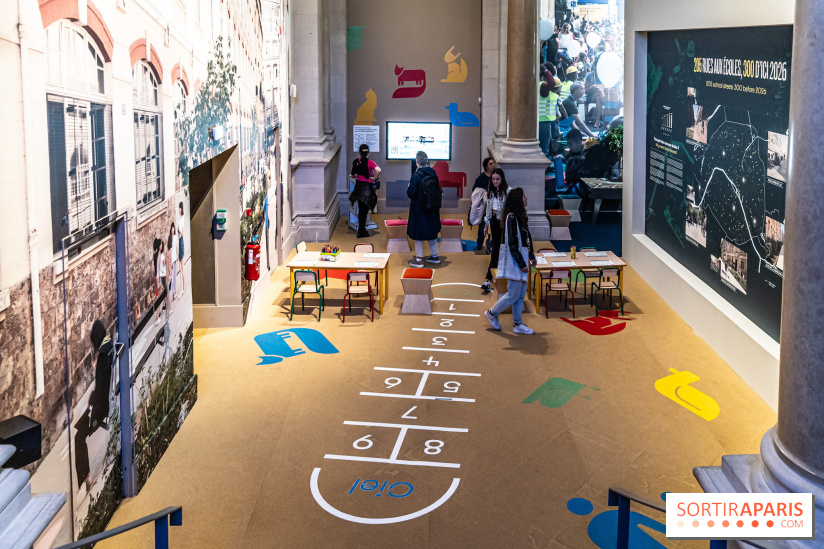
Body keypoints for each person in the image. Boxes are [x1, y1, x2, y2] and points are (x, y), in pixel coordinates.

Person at [484, 187, 537, 335]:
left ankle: (518, 324)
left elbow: (527, 238)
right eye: (524, 196)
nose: (526, 198)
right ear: (518, 200)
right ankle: (492, 313)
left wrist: (531, 255)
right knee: (513, 294)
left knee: (520, 294)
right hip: (515, 261)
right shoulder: (511, 218)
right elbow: (512, 243)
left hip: (521, 259)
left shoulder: (520, 217)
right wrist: (521, 263)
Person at [74, 319, 113, 492]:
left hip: (100, 407)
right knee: (79, 434)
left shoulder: (103, 354)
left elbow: (100, 388)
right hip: (102, 402)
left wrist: (90, 407)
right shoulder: (110, 345)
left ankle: (85, 479)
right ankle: (85, 478)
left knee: (78, 437)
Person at [407, 151, 441, 267]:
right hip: (432, 208)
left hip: (419, 208)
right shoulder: (433, 174)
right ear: (427, 161)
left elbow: (411, 193)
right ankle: (435, 256)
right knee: (431, 231)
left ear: (417, 162)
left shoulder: (416, 175)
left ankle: (419, 259)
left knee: (418, 233)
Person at [480, 168, 510, 293]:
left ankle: (488, 279)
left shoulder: (508, 191)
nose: (495, 181)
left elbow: (510, 208)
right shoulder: (491, 191)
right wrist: (486, 225)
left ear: (502, 179)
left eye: (497, 179)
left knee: (497, 249)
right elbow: (488, 209)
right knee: (497, 249)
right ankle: (492, 277)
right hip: (493, 221)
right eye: (493, 179)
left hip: (502, 222)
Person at [349, 144, 381, 238]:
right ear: (368, 152)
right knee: (365, 211)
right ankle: (362, 231)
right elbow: (378, 170)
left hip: (359, 188)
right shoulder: (370, 162)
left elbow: (353, 175)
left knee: (361, 210)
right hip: (367, 188)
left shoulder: (355, 161)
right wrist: (374, 178)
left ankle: (361, 229)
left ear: (359, 152)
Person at [471, 157, 496, 249]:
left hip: (494, 204)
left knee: (494, 225)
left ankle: (494, 243)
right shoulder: (482, 177)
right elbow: (475, 189)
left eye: (493, 163)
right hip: (484, 205)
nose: (493, 165)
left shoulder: (496, 176)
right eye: (490, 164)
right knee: (482, 225)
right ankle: (479, 244)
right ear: (486, 166)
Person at [539, 72, 562, 158]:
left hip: (542, 121)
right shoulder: (542, 86)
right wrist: (546, 71)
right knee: (544, 148)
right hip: (544, 122)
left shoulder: (536, 86)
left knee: (545, 145)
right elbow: (552, 83)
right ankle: (544, 168)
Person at [177, 202, 185, 292]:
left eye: (179, 208)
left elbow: (183, 233)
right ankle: (182, 288)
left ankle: (182, 289)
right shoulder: (180, 218)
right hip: (180, 242)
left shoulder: (182, 219)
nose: (179, 210)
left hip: (181, 242)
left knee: (181, 266)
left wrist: (178, 229)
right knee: (181, 266)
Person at [169, 222, 178, 300]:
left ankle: (174, 292)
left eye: (173, 228)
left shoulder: (175, 237)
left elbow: (176, 247)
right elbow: (169, 250)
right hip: (171, 260)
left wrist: (177, 255)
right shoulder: (169, 238)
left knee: (174, 276)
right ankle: (171, 292)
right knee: (171, 276)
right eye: (171, 228)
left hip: (175, 258)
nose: (172, 230)